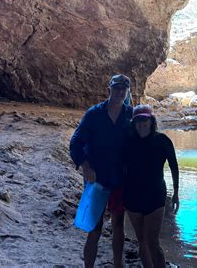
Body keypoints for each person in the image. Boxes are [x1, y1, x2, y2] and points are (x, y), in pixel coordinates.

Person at [70, 74, 133, 268]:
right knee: (94, 228)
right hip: (96, 178)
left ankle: (117, 265)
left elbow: (139, 144)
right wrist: (85, 166)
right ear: (109, 89)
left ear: (128, 91)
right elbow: (76, 142)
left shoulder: (130, 114)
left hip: (119, 179)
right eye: (116, 88)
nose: (120, 92)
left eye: (123, 89)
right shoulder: (94, 114)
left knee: (118, 225)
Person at [123, 105, 179, 268]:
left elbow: (174, 166)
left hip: (155, 196)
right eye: (138, 120)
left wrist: (176, 192)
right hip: (132, 196)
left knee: (152, 242)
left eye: (145, 119)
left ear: (151, 121)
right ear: (134, 123)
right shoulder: (128, 142)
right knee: (141, 240)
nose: (142, 123)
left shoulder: (162, 141)